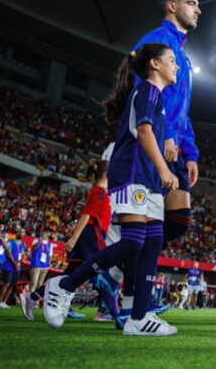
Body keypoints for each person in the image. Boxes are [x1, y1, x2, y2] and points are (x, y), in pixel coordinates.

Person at [39, 42, 180, 336]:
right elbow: (144, 131)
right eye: (171, 59)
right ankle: (64, 286)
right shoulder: (147, 91)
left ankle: (138, 318)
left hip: (149, 179)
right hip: (131, 175)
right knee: (133, 243)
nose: (176, 65)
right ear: (154, 64)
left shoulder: (158, 97)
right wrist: (164, 169)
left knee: (152, 244)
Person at [116, 0, 201, 324]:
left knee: (177, 222)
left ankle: (124, 279)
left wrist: (190, 152)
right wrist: (164, 135)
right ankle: (129, 298)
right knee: (150, 229)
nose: (198, 10)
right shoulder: (156, 41)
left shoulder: (184, 58)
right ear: (172, 6)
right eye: (191, 3)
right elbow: (144, 94)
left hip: (175, 145)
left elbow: (183, 110)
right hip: (156, 143)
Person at [23, 159, 118, 319]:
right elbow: (86, 216)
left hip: (90, 234)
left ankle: (33, 297)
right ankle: (115, 313)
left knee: (71, 274)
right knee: (101, 273)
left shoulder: (99, 191)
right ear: (108, 174)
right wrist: (74, 238)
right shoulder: (100, 193)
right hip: (92, 235)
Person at [0, 225, 26, 308]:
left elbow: (23, 254)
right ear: (16, 233)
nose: (20, 233)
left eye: (22, 232)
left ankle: (4, 302)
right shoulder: (11, 242)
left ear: (24, 234)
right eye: (19, 232)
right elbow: (8, 252)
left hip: (17, 267)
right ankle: (0, 301)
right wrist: (14, 263)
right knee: (6, 283)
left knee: (12, 285)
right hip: (9, 266)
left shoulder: (23, 244)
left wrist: (19, 262)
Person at [28, 229, 54, 297]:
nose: (46, 234)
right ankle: (29, 298)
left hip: (45, 267)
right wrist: (41, 240)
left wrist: (48, 264)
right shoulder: (36, 240)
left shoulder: (49, 244)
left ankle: (35, 299)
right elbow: (34, 248)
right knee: (33, 283)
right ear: (42, 232)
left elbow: (50, 255)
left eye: (48, 232)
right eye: (45, 232)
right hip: (36, 265)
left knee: (39, 284)